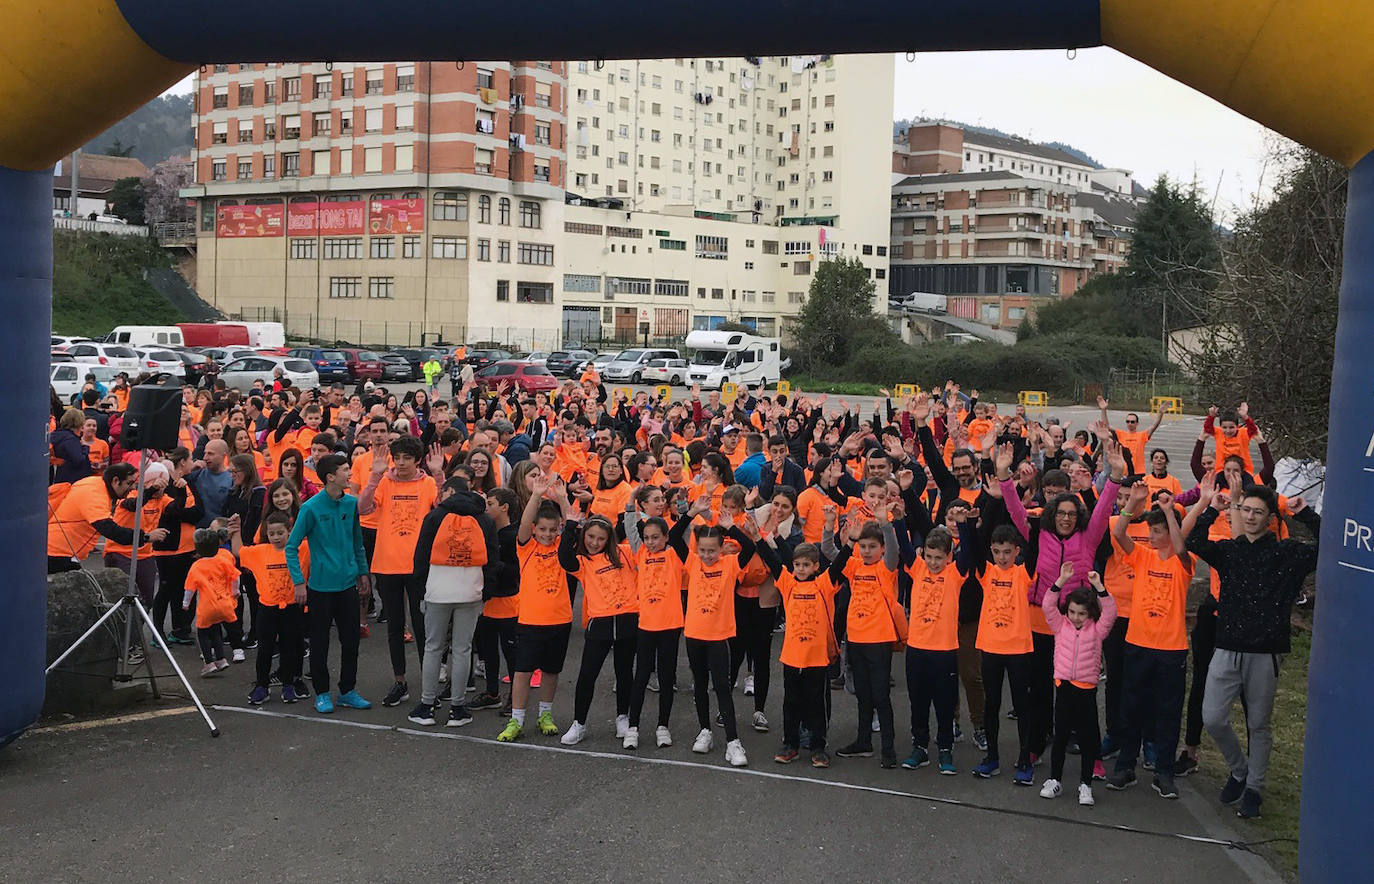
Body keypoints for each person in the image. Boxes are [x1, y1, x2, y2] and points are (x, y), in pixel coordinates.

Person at [1185, 476, 1320, 820]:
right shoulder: (1231, 551)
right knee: (1212, 717)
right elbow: (1195, 542)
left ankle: (1255, 788)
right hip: (1227, 646)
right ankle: (1239, 769)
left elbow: (1325, 545)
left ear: (1271, 517)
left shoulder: (1287, 554)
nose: (1250, 517)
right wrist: (1210, 509)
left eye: (1258, 512)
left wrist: (1305, 515)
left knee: (1259, 724)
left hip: (1265, 652)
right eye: (1245, 510)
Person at [1106, 481, 1193, 800]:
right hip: (1139, 644)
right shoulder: (1142, 557)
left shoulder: (1183, 563)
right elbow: (1118, 535)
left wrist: (1169, 512)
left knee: (1167, 712)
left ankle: (1164, 772)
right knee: (1131, 707)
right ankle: (1126, 766)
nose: (1152, 536)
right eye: (1151, 531)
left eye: (1157, 532)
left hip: (1171, 649)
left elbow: (1181, 548)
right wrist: (1134, 504)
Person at [406, 475, 501, 727]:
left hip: (437, 590)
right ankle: (457, 708)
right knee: (463, 648)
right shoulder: (483, 518)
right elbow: (493, 558)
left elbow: (421, 556)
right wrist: (485, 592)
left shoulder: (435, 516)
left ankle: (426, 705)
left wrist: (421, 591)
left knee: (433, 646)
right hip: (470, 591)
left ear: (449, 492)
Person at [669, 494, 757, 767]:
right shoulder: (692, 562)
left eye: (712, 550)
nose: (707, 555)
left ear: (721, 549)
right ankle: (704, 730)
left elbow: (750, 549)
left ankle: (733, 742)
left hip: (719, 636)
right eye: (703, 550)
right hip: (694, 634)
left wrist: (729, 527)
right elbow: (673, 538)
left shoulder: (730, 564)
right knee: (699, 685)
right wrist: (690, 512)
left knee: (722, 688)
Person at [358, 435, 442, 708]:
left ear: (418, 460)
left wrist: (440, 474)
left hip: (419, 567)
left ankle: (429, 687)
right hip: (387, 564)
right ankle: (401, 682)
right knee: (395, 627)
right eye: (399, 458)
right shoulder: (383, 481)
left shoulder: (428, 483)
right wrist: (374, 475)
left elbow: (443, 511)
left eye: (408, 457)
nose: (402, 463)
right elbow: (363, 508)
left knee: (422, 627)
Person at [285, 453, 373, 714]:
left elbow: (357, 542)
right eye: (346, 470)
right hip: (320, 588)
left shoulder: (350, 505)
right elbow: (291, 547)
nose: (350, 474)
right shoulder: (310, 508)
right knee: (320, 643)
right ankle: (322, 693)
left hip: (347, 585)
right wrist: (299, 582)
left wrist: (363, 573)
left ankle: (348, 690)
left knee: (352, 641)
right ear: (330, 477)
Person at [824, 501, 904, 769]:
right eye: (863, 546)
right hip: (855, 640)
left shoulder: (886, 567)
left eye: (873, 547)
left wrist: (886, 524)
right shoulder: (855, 565)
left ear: (881, 549)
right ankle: (863, 741)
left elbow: (894, 549)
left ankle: (889, 748)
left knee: (881, 695)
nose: (867, 551)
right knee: (863, 694)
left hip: (879, 642)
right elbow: (828, 551)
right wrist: (829, 528)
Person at [497, 473, 573, 743]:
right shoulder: (525, 547)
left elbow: (572, 523)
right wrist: (537, 496)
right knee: (523, 672)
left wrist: (563, 499)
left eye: (553, 530)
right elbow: (526, 523)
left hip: (560, 619)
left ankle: (545, 714)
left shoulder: (563, 547)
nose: (547, 534)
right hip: (530, 620)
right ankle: (516, 719)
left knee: (552, 671)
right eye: (542, 529)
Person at [756, 532, 837, 768]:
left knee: (816, 704)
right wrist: (759, 537)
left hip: (817, 657)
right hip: (792, 657)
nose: (801, 569)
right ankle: (790, 744)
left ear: (815, 567)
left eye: (806, 565)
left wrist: (850, 541)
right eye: (797, 565)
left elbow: (839, 563)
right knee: (791, 702)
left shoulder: (824, 584)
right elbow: (771, 558)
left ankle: (818, 746)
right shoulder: (788, 582)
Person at [1039, 565, 1116, 807]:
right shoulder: (1060, 625)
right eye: (1072, 612)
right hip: (1064, 687)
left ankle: (1085, 785)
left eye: (1081, 614)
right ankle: (1054, 779)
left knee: (1088, 738)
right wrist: (1060, 580)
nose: (1075, 617)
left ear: (1090, 614)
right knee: (1060, 736)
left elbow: (1111, 612)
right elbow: (1047, 605)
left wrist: (1099, 586)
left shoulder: (1097, 631)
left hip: (1086, 690)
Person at [902, 520, 975, 775]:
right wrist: (900, 519)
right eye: (930, 556)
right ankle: (920, 746)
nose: (934, 563)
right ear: (923, 554)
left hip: (944, 651)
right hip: (917, 649)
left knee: (945, 703)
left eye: (939, 558)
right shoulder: (917, 568)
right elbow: (903, 542)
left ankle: (945, 748)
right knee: (918, 701)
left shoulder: (955, 574)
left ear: (949, 557)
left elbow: (970, 551)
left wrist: (966, 526)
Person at [624, 496, 684, 750]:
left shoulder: (674, 555)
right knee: (640, 677)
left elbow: (682, 531)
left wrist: (683, 510)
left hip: (670, 625)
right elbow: (631, 529)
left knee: (666, 676)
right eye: (647, 537)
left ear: (666, 537)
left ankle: (663, 726)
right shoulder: (640, 554)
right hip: (645, 625)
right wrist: (630, 505)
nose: (650, 541)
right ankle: (633, 727)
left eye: (656, 537)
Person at [234, 511, 308, 703]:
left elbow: (319, 538)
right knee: (265, 649)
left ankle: (288, 685)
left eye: (280, 533)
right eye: (272, 533)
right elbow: (238, 552)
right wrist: (235, 530)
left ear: (290, 531)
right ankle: (262, 686)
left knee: (289, 648)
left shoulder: (302, 549)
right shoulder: (260, 552)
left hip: (292, 608)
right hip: (267, 609)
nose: (275, 537)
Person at [470, 487, 521, 713]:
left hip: (508, 603)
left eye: (490, 503)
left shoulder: (514, 535)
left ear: (504, 507)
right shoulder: (486, 532)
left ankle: (515, 698)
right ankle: (492, 693)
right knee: (489, 651)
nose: (486, 507)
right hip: (486, 602)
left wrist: (494, 565)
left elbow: (516, 571)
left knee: (512, 654)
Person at [46, 463, 141, 573]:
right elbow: (109, 529)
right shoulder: (95, 494)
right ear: (115, 481)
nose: (133, 488)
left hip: (60, 552)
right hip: (59, 554)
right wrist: (145, 537)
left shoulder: (95, 483)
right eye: (129, 483)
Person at [182, 527, 240, 677]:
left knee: (203, 633)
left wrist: (186, 603)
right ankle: (221, 659)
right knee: (216, 631)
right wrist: (235, 591)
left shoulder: (196, 566)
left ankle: (209, 662)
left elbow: (189, 588)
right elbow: (235, 576)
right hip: (225, 603)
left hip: (207, 607)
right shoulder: (223, 560)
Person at [49, 408, 92, 485]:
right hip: (72, 480)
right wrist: (85, 447)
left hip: (60, 477)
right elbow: (79, 460)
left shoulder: (57, 435)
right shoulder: (71, 439)